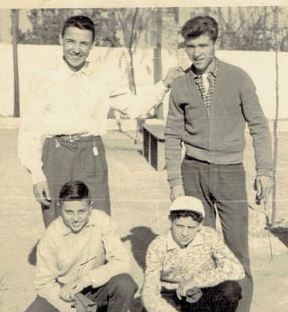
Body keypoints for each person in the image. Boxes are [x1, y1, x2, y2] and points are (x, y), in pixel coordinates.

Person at [164, 16, 273, 312]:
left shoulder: (238, 78)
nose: (197, 52)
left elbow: (259, 126)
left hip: (231, 174)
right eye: (191, 46)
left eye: (203, 45)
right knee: (200, 252)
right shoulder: (181, 85)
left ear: (215, 43)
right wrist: (175, 181)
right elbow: (172, 135)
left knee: (236, 252)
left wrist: (265, 171)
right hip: (193, 172)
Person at [18, 15, 183, 227]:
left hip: (92, 155)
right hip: (56, 156)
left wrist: (165, 83)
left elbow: (134, 107)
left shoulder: (102, 77)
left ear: (92, 45)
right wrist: (36, 175)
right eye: (71, 41)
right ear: (61, 40)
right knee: (58, 225)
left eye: (84, 43)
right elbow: (29, 130)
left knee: (98, 223)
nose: (76, 49)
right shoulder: (45, 78)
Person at [13, 180, 137, 312]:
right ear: (59, 207)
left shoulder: (102, 221)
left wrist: (87, 279)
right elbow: (44, 285)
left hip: (95, 288)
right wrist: (75, 311)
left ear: (90, 207)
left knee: (125, 283)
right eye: (69, 212)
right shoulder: (50, 237)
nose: (76, 218)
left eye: (81, 211)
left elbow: (123, 262)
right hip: (66, 293)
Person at [124, 196, 245, 312]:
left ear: (200, 225)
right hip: (171, 295)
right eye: (179, 226)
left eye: (191, 227)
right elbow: (149, 296)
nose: (185, 233)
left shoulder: (209, 236)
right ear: (170, 220)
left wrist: (195, 281)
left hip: (202, 293)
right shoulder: (158, 246)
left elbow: (237, 269)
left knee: (231, 289)